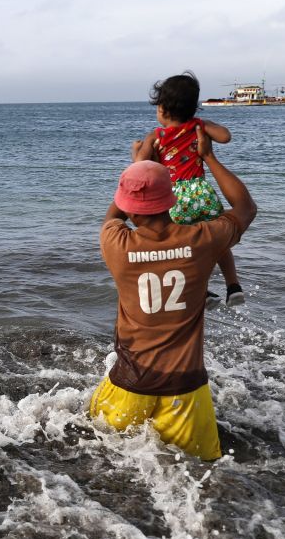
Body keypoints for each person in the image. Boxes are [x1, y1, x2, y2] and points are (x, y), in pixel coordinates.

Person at [90, 130, 257, 460]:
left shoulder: (116, 243)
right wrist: (208, 156)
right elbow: (246, 207)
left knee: (101, 458)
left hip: (129, 384)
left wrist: (138, 167)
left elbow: (114, 216)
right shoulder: (202, 239)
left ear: (130, 208)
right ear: (172, 201)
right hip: (186, 390)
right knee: (202, 471)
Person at [133, 72, 244, 307]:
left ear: (162, 109)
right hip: (202, 194)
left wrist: (138, 151)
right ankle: (233, 286)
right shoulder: (197, 127)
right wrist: (203, 124)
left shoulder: (156, 135)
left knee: (185, 247)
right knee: (218, 243)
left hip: (175, 200)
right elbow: (225, 136)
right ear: (193, 107)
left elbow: (140, 166)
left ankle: (202, 291)